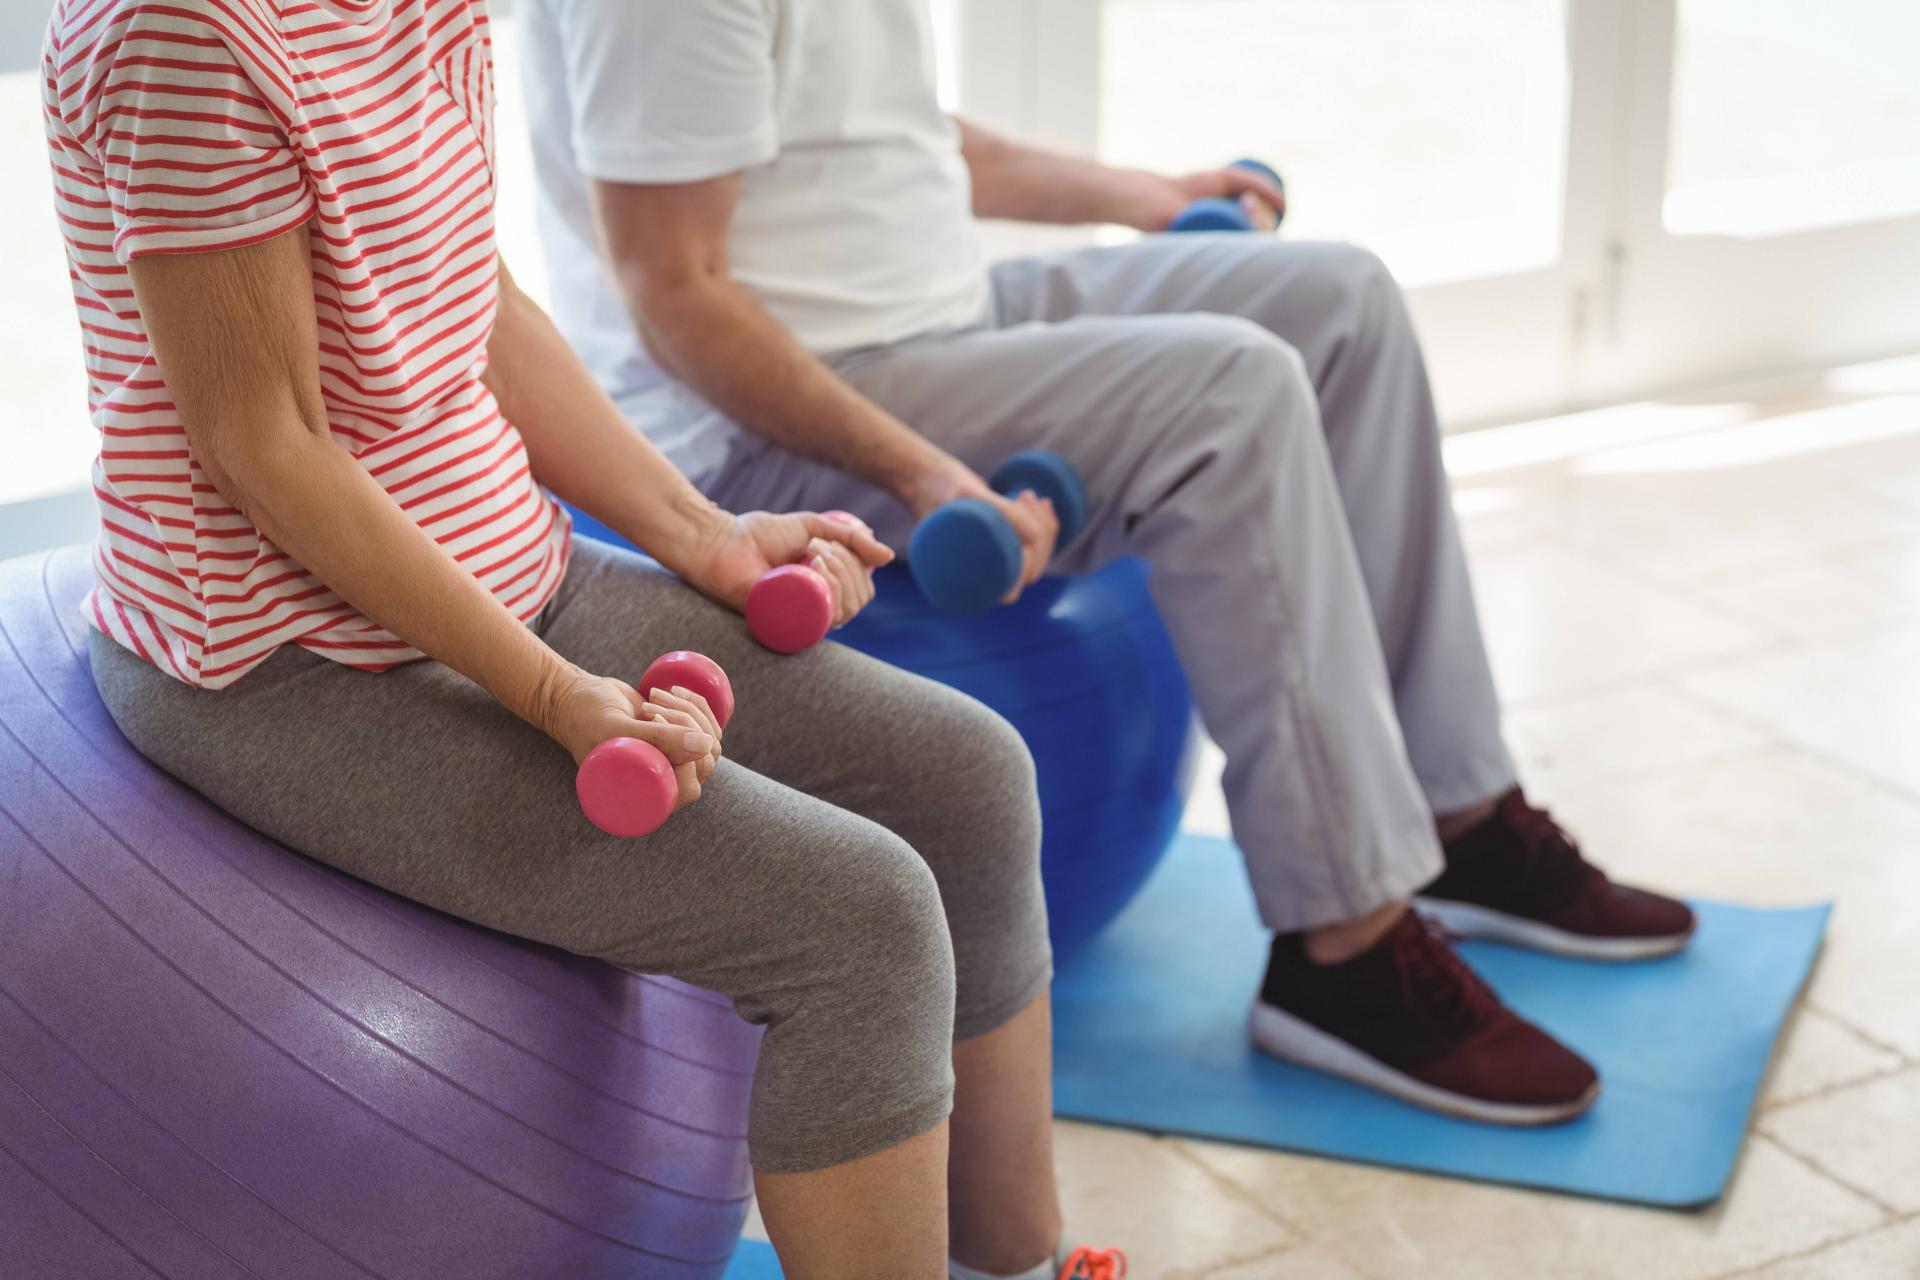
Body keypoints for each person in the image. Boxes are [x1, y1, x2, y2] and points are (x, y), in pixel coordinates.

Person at [39, 2, 1124, 1277]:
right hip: (289, 665)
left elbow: (470, 295)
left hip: (513, 571)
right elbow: (265, 443)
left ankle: (1020, 1260)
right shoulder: (188, 40)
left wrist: (705, 535)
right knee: (863, 922)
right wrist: (557, 695)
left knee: (969, 771)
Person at [519, 0, 1700, 1135]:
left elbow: (890, 138)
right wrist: (929, 475)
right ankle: (1345, 944)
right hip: (746, 426)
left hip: (935, 318)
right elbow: (673, 293)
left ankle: (1462, 813)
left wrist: (1147, 195)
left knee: (1340, 301)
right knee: (1231, 395)